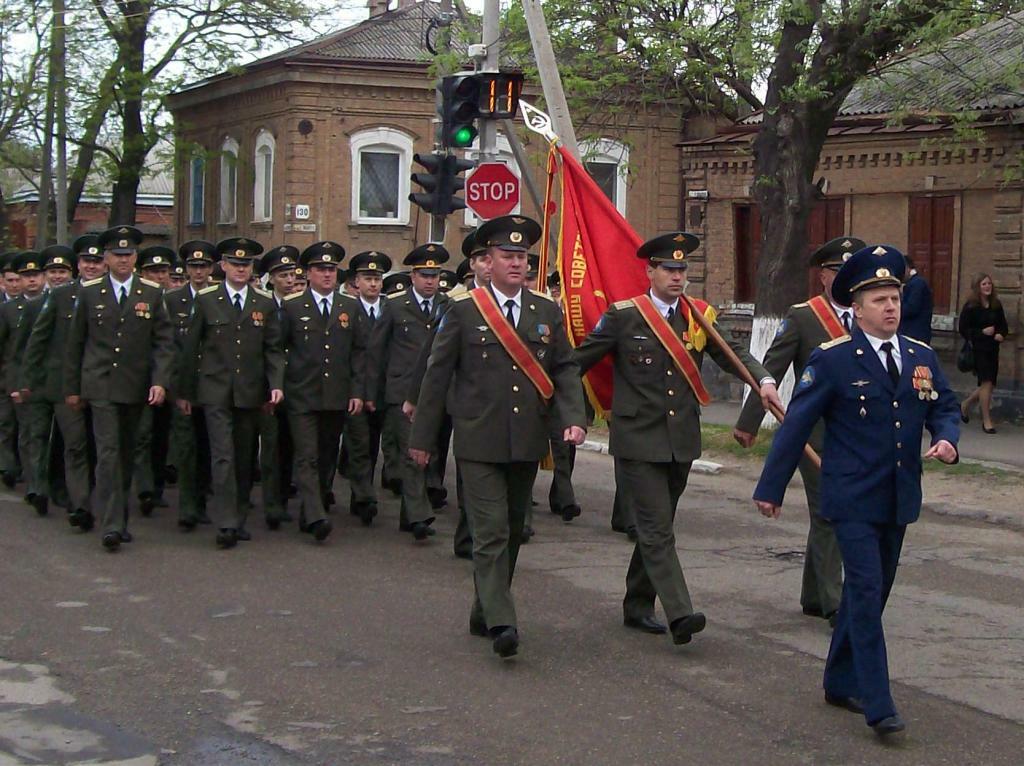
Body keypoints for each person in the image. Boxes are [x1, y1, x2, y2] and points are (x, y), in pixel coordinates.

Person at [754, 244, 959, 737]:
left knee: (873, 594)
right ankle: (878, 702)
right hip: (849, 498)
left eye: (895, 297)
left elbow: (945, 407)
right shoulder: (833, 360)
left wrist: (947, 438)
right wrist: (772, 487)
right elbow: (796, 425)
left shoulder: (920, 357)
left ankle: (837, 679)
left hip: (899, 496)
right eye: (880, 300)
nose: (891, 307)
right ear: (858, 308)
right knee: (864, 591)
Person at [575, 232, 781, 645]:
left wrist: (765, 380)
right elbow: (578, 361)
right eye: (668, 268)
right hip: (637, 439)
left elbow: (735, 352)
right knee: (654, 528)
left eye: (682, 269)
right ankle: (680, 612)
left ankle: (636, 603)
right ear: (649, 271)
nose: (676, 276)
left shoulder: (700, 316)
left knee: (659, 525)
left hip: (681, 439)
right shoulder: (623, 316)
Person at [408, 215, 587, 659]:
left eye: (522, 256)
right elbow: (436, 376)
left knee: (510, 530)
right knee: (488, 532)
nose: (516, 263)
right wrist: (423, 438)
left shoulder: (545, 311)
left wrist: (573, 417)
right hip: (478, 439)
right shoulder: (464, 311)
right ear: (486, 261)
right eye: (507, 256)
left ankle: (483, 609)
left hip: (526, 439)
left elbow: (564, 367)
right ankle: (504, 621)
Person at [734, 236, 866, 627]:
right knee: (829, 512)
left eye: (851, 272)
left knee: (833, 512)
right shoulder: (804, 317)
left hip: (859, 433)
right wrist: (748, 422)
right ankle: (834, 602)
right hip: (817, 432)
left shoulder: (869, 315)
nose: (845, 279)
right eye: (837, 272)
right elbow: (771, 370)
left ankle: (813, 593)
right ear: (823, 276)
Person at [63, 226, 175, 551]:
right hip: (99, 384)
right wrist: (72, 388)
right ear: (106, 258)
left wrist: (159, 381)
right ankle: (110, 525)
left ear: (135, 258)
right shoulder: (89, 292)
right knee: (109, 452)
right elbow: (76, 344)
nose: (122, 260)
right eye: (116, 255)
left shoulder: (151, 293)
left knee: (127, 452)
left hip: (136, 385)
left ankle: (120, 517)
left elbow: (163, 343)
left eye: (128, 255)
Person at [178, 237, 284, 549]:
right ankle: (225, 522)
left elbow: (273, 349)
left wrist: (275, 384)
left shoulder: (263, 302)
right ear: (222, 266)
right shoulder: (207, 299)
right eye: (235, 264)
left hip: (249, 392)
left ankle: (237, 517)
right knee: (222, 455)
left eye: (246, 264)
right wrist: (185, 392)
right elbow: (190, 349)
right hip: (214, 390)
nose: (240, 269)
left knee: (242, 458)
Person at [280, 240, 368, 542]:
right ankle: (317, 514)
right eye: (321, 269)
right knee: (307, 456)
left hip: (336, 394)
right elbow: (278, 349)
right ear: (308, 273)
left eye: (332, 269)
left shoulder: (350, 307)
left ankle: (310, 508)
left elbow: (359, 352)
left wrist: (357, 391)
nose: (328, 275)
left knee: (327, 454)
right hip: (301, 393)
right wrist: (278, 386)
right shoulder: (292, 306)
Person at [20, 237, 107, 531]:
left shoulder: (110, 296)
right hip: (58, 384)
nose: (91, 267)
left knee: (82, 446)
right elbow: (38, 340)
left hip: (97, 383)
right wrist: (28, 380)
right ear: (79, 265)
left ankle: (78, 502)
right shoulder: (61, 296)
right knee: (66, 443)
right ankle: (62, 497)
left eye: (96, 262)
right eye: (86, 262)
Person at [370, 244, 450, 540]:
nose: (430, 281)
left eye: (435, 275)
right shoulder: (394, 305)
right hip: (402, 391)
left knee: (431, 451)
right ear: (412, 276)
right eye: (425, 275)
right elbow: (377, 352)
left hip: (436, 391)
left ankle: (410, 513)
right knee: (410, 453)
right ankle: (419, 515)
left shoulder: (448, 305)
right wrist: (372, 394)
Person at [167, 241, 217, 530]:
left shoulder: (216, 298)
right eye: (193, 266)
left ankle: (201, 501)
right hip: (183, 386)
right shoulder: (173, 301)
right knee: (186, 449)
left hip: (211, 386)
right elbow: (169, 346)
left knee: (207, 447)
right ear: (186, 269)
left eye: (203, 266)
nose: (198, 271)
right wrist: (177, 387)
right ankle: (187, 508)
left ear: (211, 269)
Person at [344, 249, 394, 526]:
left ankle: (363, 492)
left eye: (377, 278)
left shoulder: (391, 309)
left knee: (377, 445)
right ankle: (363, 498)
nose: (373, 284)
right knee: (360, 445)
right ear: (356, 283)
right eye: (367, 278)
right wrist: (358, 391)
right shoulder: (348, 309)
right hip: (356, 389)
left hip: (384, 390)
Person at [132, 245, 178, 516]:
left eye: (163, 271)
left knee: (162, 436)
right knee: (141, 436)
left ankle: (157, 485)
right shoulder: (137, 298)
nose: (159, 277)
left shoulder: (176, 301)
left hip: (170, 378)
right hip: (140, 378)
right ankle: (144, 488)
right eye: (152, 271)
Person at [257, 245, 300, 529]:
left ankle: (284, 498)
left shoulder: (300, 306)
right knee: (270, 447)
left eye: (292, 274)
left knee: (290, 446)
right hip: (266, 387)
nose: (289, 280)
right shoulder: (262, 305)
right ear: (271, 278)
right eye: (282, 275)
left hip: (296, 387)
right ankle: (271, 504)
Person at [3, 252, 49, 515]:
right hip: (23, 380)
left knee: (39, 434)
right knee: (28, 433)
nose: (31, 281)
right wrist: (14, 384)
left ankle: (41, 483)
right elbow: (12, 353)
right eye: (26, 276)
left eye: (35, 275)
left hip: (48, 381)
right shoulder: (10, 309)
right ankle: (32, 482)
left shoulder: (52, 302)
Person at [958, 273, 1008, 434]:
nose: (987, 287)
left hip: (993, 349)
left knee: (990, 384)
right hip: (978, 349)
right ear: (978, 287)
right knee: (986, 382)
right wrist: (981, 332)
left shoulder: (996, 304)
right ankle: (987, 420)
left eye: (989, 284)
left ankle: (966, 404)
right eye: (984, 284)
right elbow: (964, 329)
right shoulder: (971, 306)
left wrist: (1001, 334)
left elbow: (1003, 325)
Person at [897, 255, 933, 343]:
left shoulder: (917, 283)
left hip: (915, 335)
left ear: (907, 268)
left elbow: (910, 308)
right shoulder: (913, 283)